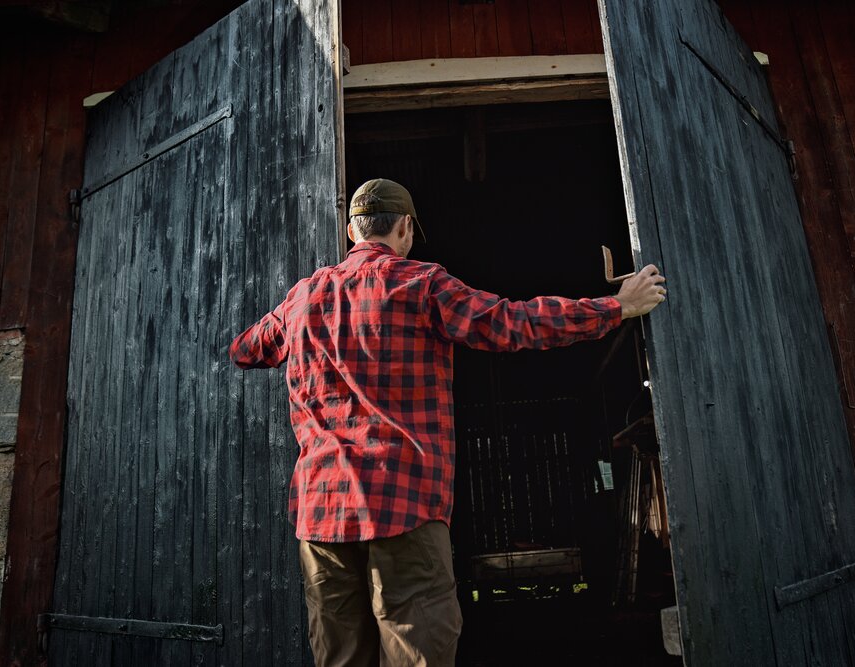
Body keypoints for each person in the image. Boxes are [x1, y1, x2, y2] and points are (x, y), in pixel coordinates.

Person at [228, 178, 667, 667]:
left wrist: (305, 325)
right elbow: (510, 323)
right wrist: (616, 307)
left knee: (339, 658)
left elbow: (246, 350)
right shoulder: (422, 284)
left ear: (352, 231)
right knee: (418, 650)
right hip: (404, 505)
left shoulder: (302, 298)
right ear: (406, 229)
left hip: (322, 513)